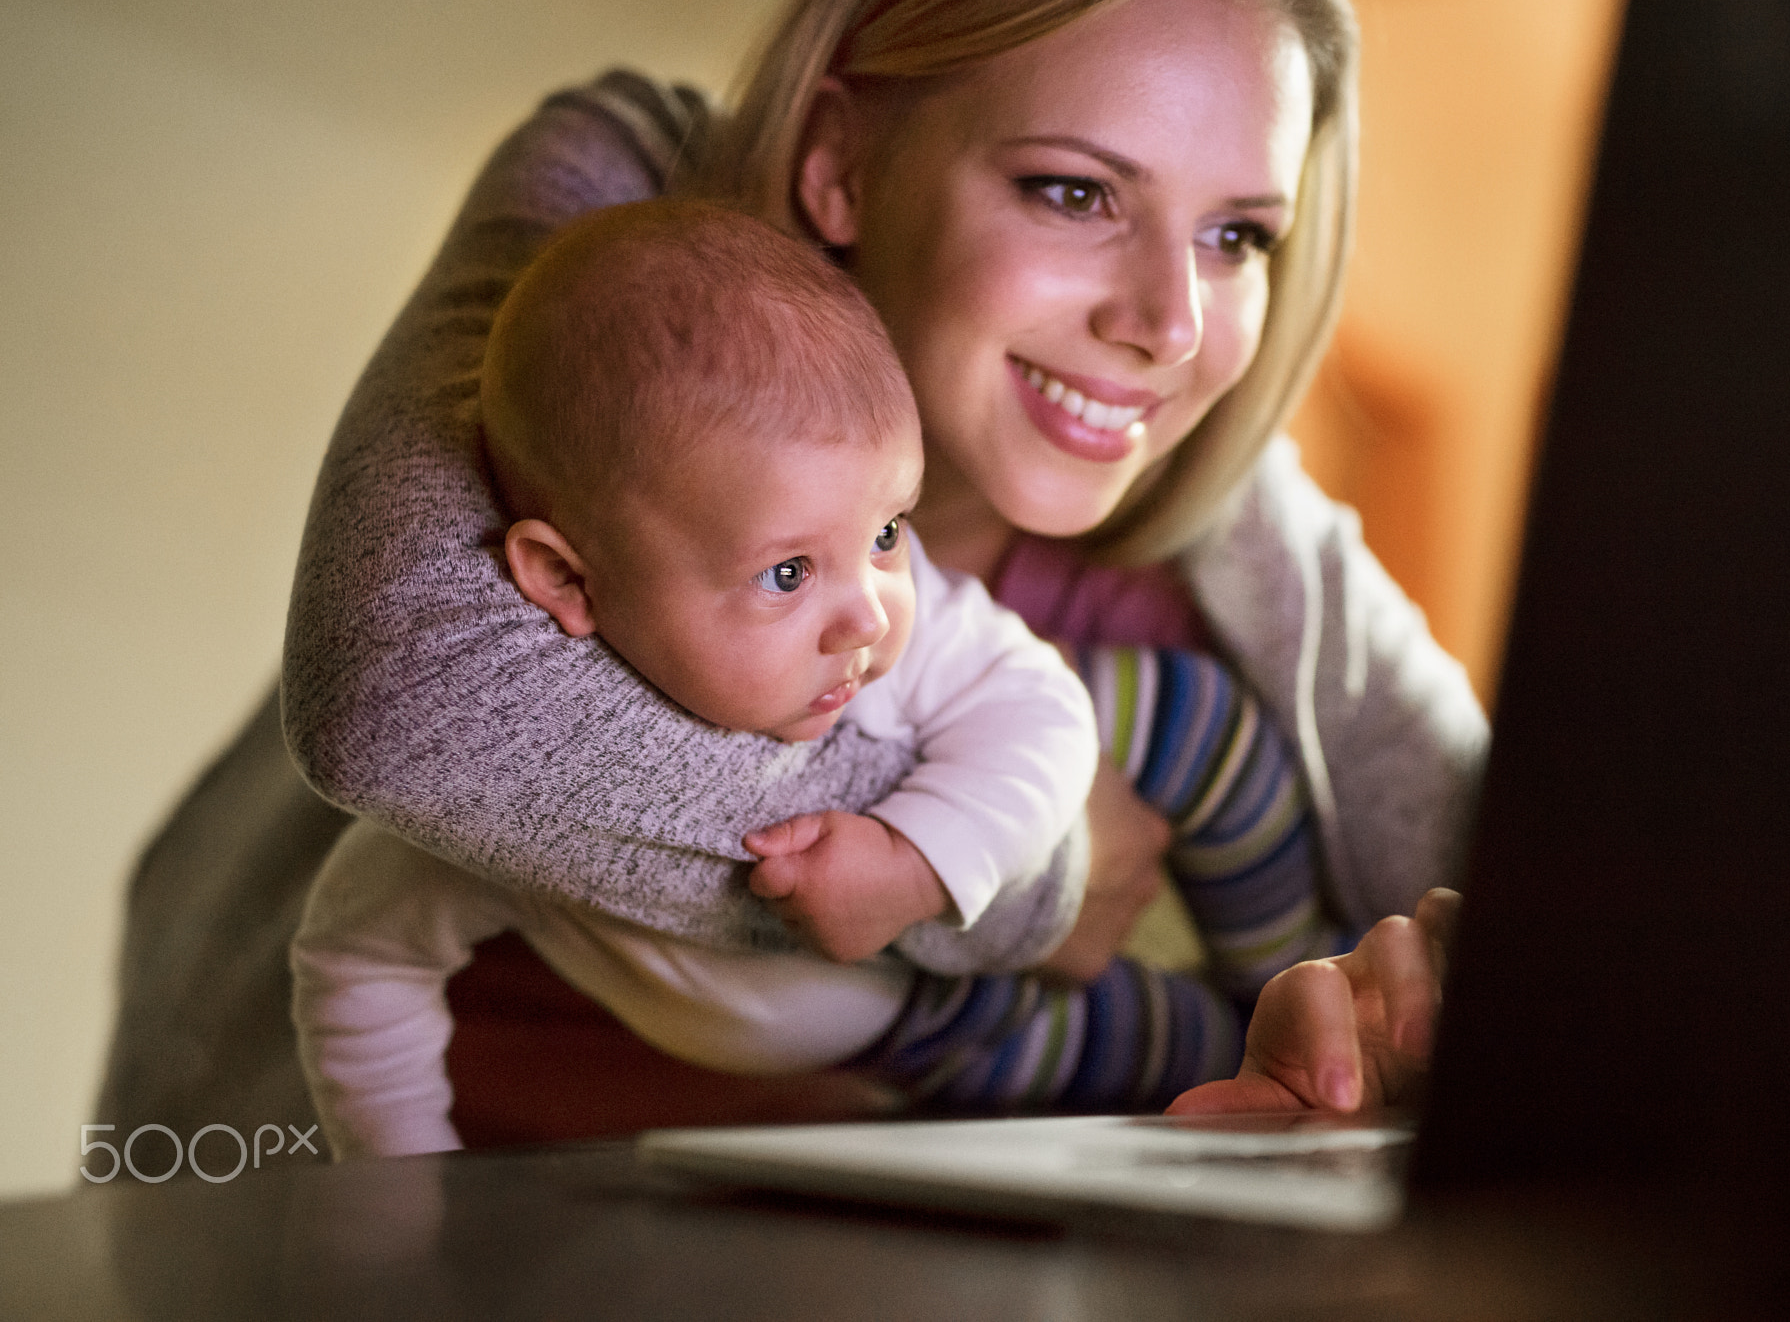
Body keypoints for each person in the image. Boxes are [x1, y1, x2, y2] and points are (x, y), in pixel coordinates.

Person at [97, 0, 1489, 1158]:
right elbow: (405, 706)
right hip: (307, 1205)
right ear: (838, 163)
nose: (1170, 323)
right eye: (1073, 193)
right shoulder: (620, 262)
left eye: (1239, 233)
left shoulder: (1210, 594)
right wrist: (1016, 870)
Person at [294, 197, 1351, 1157]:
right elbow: (355, 964)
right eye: (786, 572)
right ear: (568, 579)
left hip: (993, 818)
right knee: (1179, 1058)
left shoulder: (899, 621)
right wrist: (397, 1200)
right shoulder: (503, 795)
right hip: (937, 1027)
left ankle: (1300, 968)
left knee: (1200, 724)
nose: (869, 612)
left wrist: (916, 861)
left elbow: (1042, 717)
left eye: (889, 529)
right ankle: (1282, 1049)